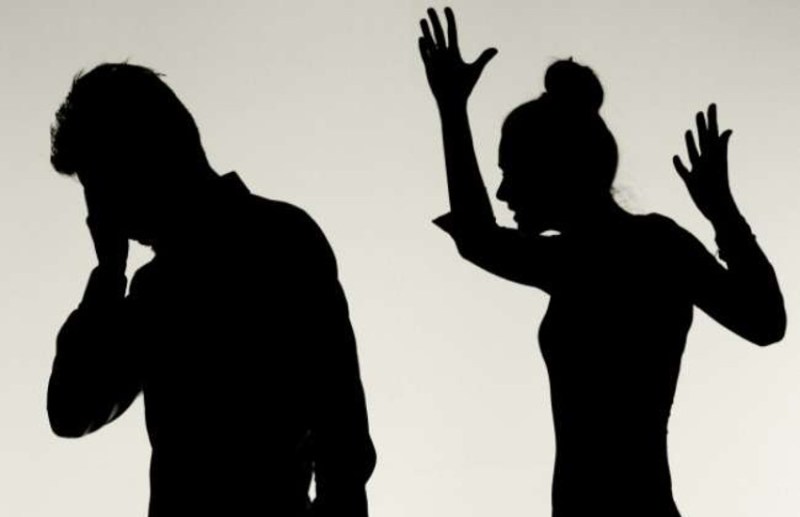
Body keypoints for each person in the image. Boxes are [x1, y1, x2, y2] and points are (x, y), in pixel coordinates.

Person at [418, 7, 785, 516]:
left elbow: (477, 239)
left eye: (510, 172)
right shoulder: (640, 247)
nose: (502, 191)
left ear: (555, 168)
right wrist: (723, 214)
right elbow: (765, 322)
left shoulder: (596, 258)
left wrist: (452, 109)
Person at [46, 63, 376, 517]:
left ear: (141, 160)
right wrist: (108, 272)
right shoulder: (156, 289)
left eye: (99, 187)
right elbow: (72, 409)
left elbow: (341, 433)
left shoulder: (277, 242)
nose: (99, 212)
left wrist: (109, 274)